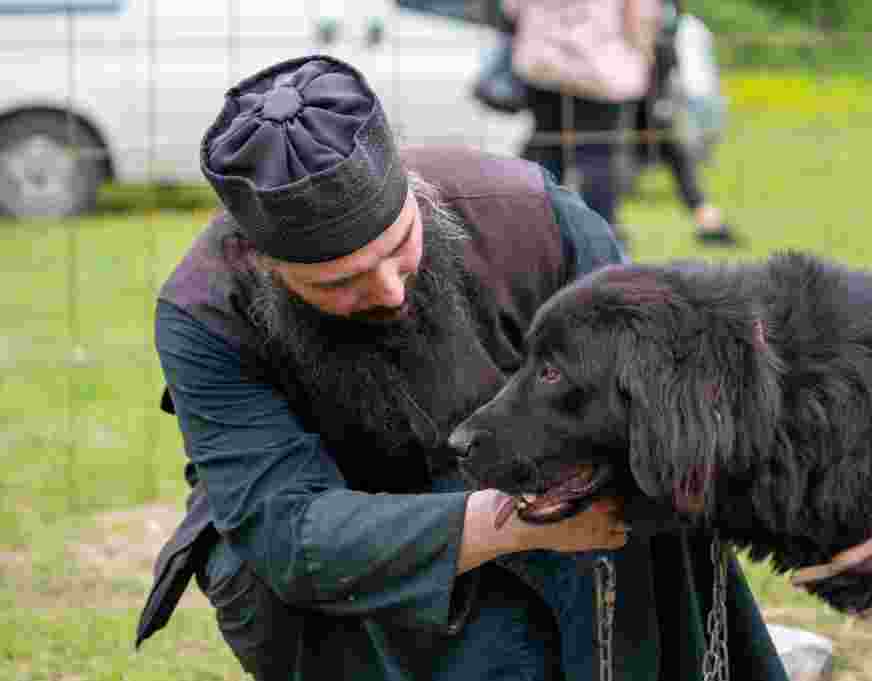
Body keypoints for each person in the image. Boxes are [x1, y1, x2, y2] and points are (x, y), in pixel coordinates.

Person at [134, 55, 788, 681]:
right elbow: (288, 529)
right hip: (346, 523)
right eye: (341, 282)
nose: (389, 289)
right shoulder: (204, 314)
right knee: (255, 572)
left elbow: (654, 390)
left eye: (399, 245)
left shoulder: (533, 217)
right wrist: (508, 524)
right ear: (265, 265)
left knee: (644, 497)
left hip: (520, 464)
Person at [507, 0, 660, 252]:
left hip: (543, 61)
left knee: (546, 151)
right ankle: (602, 244)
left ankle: (532, 236)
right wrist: (643, 53)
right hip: (600, 66)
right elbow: (640, 14)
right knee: (596, 157)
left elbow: (512, 8)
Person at [634, 4, 742, 246]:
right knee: (597, 158)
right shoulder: (670, 19)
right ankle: (707, 218)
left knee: (673, 153)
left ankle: (708, 219)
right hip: (624, 94)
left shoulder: (671, 20)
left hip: (640, 97)